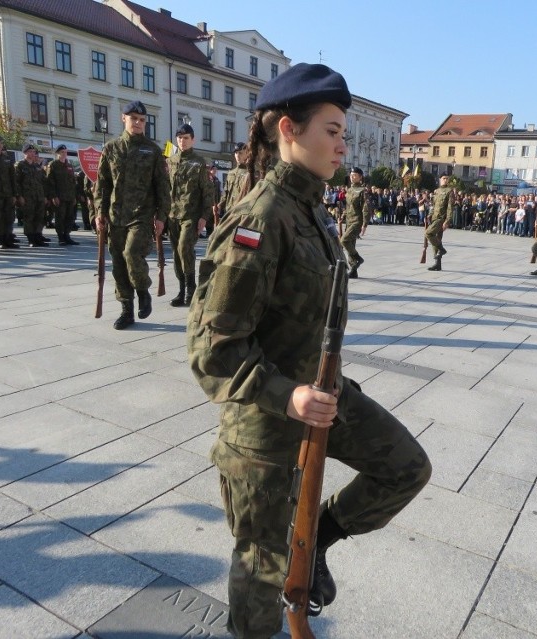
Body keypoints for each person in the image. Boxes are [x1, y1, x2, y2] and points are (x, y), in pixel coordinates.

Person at [186, 63, 431, 639]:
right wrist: (286, 394)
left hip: (324, 398)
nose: (343, 144)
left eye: (344, 131)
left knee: (405, 468)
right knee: (261, 573)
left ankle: (317, 537)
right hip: (267, 427)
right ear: (289, 131)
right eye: (332, 130)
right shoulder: (260, 220)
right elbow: (210, 350)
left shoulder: (313, 209)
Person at [93, 100, 170, 330]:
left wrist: (161, 217)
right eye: (133, 118)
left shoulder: (153, 150)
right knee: (118, 264)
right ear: (123, 118)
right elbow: (102, 184)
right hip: (116, 216)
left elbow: (162, 187)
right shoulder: (111, 148)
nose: (138, 123)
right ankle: (127, 309)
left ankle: (143, 290)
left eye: (142, 120)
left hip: (142, 215)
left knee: (131, 253)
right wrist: (99, 212)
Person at [165, 123, 214, 307]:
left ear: (192, 140)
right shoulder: (170, 161)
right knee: (176, 254)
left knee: (185, 248)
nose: (182, 141)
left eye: (186, 138)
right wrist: (160, 215)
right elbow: (165, 189)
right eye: (179, 138)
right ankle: (181, 289)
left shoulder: (199, 162)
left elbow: (207, 192)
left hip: (191, 216)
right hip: (172, 215)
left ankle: (191, 288)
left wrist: (204, 216)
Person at [14, 144, 49, 248]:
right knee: (29, 218)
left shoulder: (37, 166)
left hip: (39, 196)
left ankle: (38, 237)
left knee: (39, 217)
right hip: (27, 197)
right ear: (25, 153)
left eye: (33, 151)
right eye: (30, 151)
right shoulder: (20, 165)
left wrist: (45, 196)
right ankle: (31, 239)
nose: (33, 153)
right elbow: (16, 182)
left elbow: (43, 182)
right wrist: (19, 196)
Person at [46, 144, 79, 245]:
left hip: (69, 196)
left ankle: (67, 235)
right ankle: (61, 237)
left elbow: (73, 182)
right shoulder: (53, 165)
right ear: (57, 154)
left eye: (65, 152)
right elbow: (50, 182)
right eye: (62, 152)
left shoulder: (69, 165)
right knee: (60, 217)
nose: (64, 154)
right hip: (59, 197)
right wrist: (53, 197)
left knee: (69, 217)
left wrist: (74, 196)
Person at [341, 166, 367, 277]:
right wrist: (343, 216)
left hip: (357, 221)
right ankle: (353, 270)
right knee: (350, 244)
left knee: (344, 241)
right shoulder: (350, 189)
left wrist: (364, 224)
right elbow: (348, 206)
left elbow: (365, 208)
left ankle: (358, 259)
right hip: (348, 220)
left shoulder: (363, 191)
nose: (352, 177)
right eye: (351, 175)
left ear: (360, 177)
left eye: (354, 175)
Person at [217, 142, 250, 224]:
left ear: (247, 154)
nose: (237, 155)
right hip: (229, 212)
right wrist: (220, 205)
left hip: (242, 214)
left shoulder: (250, 173)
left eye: (240, 153)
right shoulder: (231, 173)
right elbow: (226, 193)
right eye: (236, 153)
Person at [425, 173, 451, 271]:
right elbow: (434, 205)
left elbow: (450, 208)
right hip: (434, 218)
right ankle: (437, 264)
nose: (445, 180)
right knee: (437, 240)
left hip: (441, 219)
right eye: (444, 178)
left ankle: (442, 249)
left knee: (428, 233)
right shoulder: (437, 191)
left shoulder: (449, 191)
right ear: (440, 179)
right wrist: (429, 214)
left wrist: (447, 221)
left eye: (447, 178)